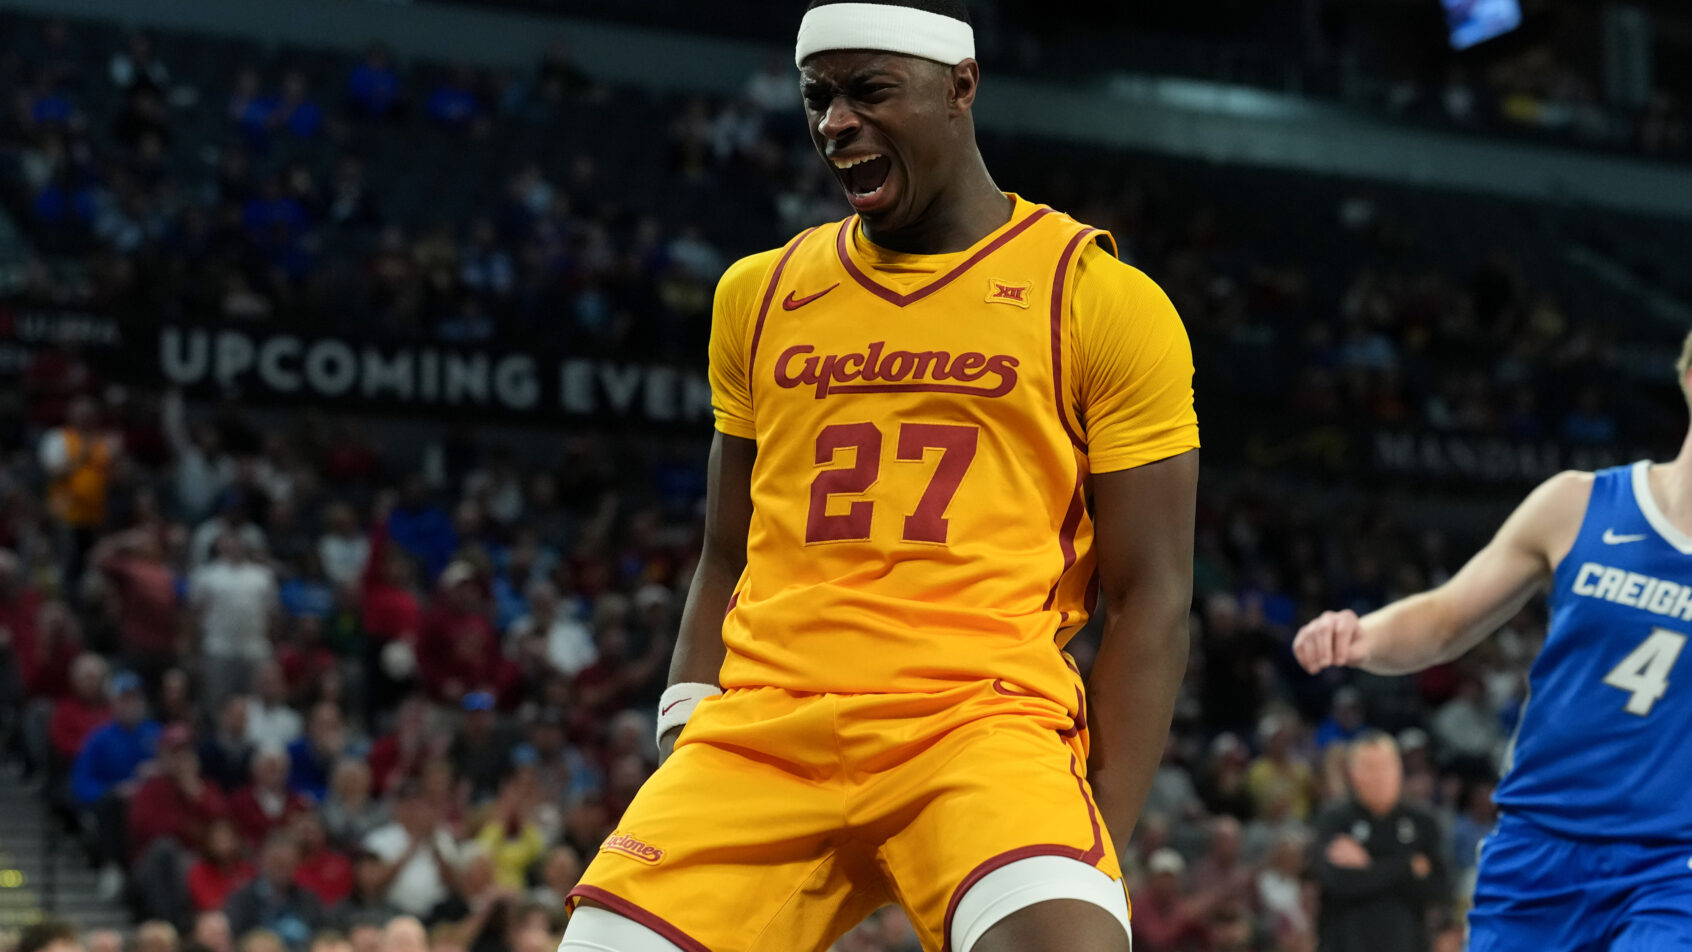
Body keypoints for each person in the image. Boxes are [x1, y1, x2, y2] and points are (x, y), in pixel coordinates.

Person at [560, 2, 1200, 950]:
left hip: (980, 727)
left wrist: (1097, 834)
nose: (834, 123)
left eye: (869, 92)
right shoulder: (758, 292)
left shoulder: (1099, 298)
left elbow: (1153, 596)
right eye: (818, 97)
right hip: (762, 731)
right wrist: (683, 733)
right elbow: (725, 551)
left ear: (961, 88)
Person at [1293, 329, 1692, 951]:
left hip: (1674, 865)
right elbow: (1447, 619)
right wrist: (1361, 636)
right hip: (1540, 847)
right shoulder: (1577, 504)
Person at [1307, 733, 1445, 952]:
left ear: (1399, 770)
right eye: (1369, 767)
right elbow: (1335, 880)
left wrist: (1367, 867)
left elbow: (1440, 888)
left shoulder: (1423, 821)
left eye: (1386, 766)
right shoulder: (1334, 819)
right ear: (1352, 774)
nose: (1379, 775)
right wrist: (1407, 867)